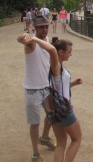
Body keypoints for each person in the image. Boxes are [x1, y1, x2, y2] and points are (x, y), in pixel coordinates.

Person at [25, 36, 83, 162]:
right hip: (64, 110)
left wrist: (73, 83)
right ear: (61, 52)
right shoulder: (55, 66)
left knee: (61, 144)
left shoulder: (54, 67)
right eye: (69, 51)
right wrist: (34, 38)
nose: (71, 54)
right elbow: (51, 49)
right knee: (76, 139)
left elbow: (58, 87)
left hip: (54, 111)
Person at [17, 16, 57, 162]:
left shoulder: (48, 41)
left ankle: (45, 137)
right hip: (33, 88)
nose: (44, 30)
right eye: (41, 27)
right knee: (35, 123)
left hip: (46, 86)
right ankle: (35, 152)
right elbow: (20, 40)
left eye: (46, 26)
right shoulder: (31, 43)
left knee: (52, 114)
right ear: (35, 27)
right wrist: (24, 37)